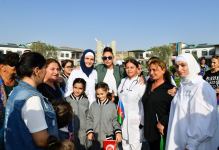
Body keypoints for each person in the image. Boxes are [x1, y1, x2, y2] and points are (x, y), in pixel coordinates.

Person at [4, 52, 59, 150]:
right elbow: (41, 140)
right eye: (44, 68)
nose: (45, 72)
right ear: (37, 71)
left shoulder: (16, 90)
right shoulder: (32, 98)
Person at [166, 53, 218, 150]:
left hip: (193, 145)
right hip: (180, 140)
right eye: (177, 66)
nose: (179, 69)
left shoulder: (200, 87)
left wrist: (192, 144)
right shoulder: (184, 85)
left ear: (191, 64)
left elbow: (204, 120)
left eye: (183, 65)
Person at [141, 59, 174, 150]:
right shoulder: (148, 84)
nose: (151, 73)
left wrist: (163, 122)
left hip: (161, 130)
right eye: (150, 70)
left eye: (154, 70)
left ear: (163, 70)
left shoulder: (170, 89)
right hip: (149, 130)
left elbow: (174, 110)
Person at [118, 58, 146, 150]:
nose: (129, 69)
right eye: (127, 67)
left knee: (135, 146)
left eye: (132, 67)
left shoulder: (141, 83)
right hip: (123, 120)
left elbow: (143, 104)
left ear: (137, 68)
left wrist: (141, 122)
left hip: (136, 122)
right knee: (125, 145)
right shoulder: (123, 81)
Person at [86, 82, 122, 150]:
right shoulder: (93, 105)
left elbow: (115, 121)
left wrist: (118, 132)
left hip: (108, 138)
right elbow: (89, 119)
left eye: (102, 94)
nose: (100, 96)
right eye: (98, 94)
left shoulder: (112, 106)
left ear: (107, 91)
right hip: (95, 138)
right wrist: (90, 131)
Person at [0, 52, 19, 149]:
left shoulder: (20, 84)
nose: (15, 67)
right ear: (2, 67)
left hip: (15, 129)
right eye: (12, 64)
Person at [66, 78, 89, 150]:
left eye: (80, 88)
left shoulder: (86, 101)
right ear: (72, 87)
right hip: (70, 133)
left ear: (84, 89)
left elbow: (88, 116)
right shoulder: (67, 100)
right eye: (75, 87)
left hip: (83, 132)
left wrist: (88, 130)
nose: (77, 90)